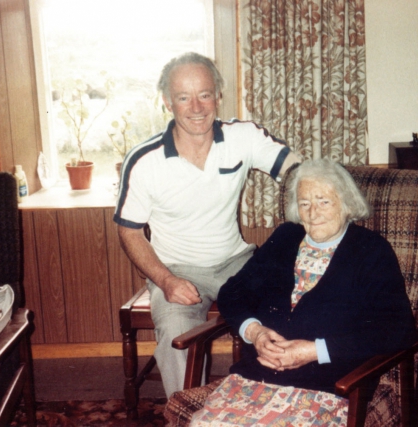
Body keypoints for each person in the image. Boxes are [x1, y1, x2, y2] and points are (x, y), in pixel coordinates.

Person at [113, 52, 301, 397]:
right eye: (184, 97)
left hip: (237, 263)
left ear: (218, 95)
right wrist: (166, 280)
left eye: (205, 94)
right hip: (177, 270)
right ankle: (188, 415)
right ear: (168, 102)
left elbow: (298, 172)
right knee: (177, 338)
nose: (196, 107)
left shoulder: (243, 137)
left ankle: (268, 406)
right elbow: (129, 231)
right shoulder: (144, 160)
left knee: (286, 315)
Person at [217, 158, 416, 392]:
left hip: (330, 384)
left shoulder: (371, 251)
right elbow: (233, 292)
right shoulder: (285, 238)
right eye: (304, 203)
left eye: (324, 202)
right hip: (257, 374)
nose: (313, 213)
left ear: (347, 204)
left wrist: (315, 351)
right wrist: (254, 332)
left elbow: (396, 328)